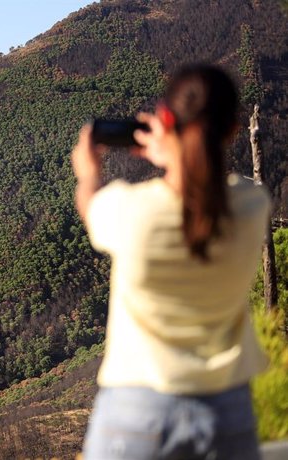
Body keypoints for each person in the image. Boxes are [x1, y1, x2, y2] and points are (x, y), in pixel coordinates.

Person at [71, 64, 271, 459]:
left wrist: (88, 173)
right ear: (232, 130)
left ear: (165, 121)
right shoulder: (253, 206)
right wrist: (176, 152)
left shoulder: (132, 212)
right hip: (226, 413)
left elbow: (90, 203)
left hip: (138, 412)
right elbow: (202, 195)